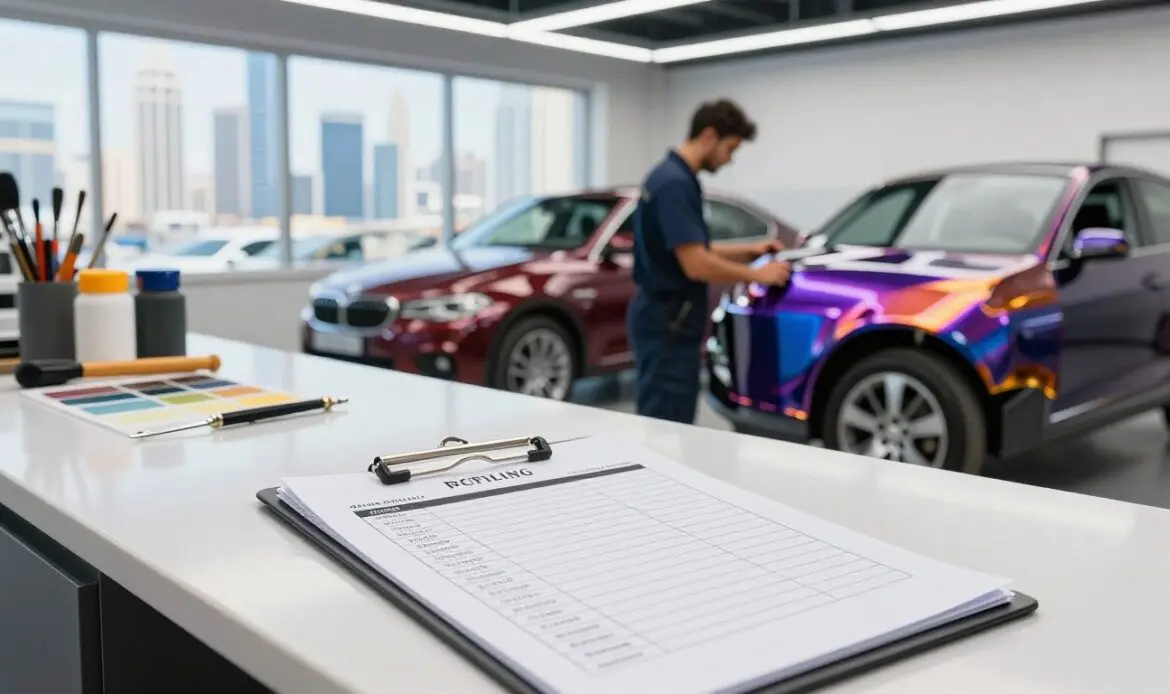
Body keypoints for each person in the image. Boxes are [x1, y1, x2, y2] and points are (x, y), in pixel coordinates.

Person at [628, 99, 792, 424]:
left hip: (665, 321)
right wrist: (756, 275)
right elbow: (695, 264)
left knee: (663, 417)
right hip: (668, 326)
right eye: (730, 148)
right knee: (666, 426)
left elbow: (691, 248)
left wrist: (751, 250)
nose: (730, 159)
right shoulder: (674, 183)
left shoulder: (670, 176)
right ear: (708, 136)